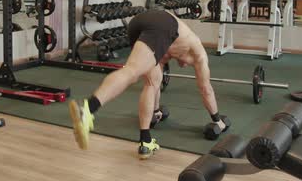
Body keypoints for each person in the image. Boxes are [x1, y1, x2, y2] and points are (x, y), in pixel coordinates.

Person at [68, 9, 229, 159]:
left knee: (151, 82)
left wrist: (156, 111)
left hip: (139, 23)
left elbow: (155, 83)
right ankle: (88, 108)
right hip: (163, 24)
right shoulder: (200, 55)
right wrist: (218, 120)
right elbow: (205, 89)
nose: (184, 65)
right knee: (131, 72)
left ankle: (146, 141)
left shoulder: (174, 45)